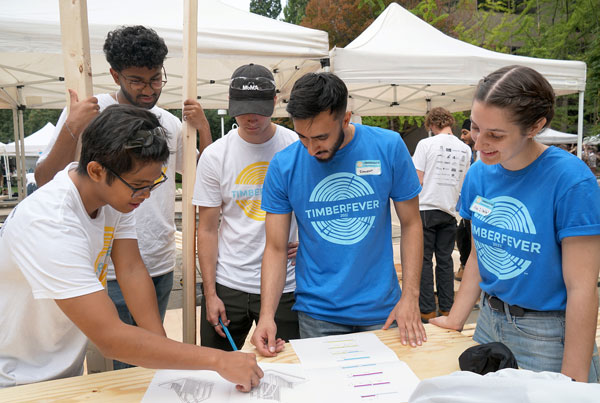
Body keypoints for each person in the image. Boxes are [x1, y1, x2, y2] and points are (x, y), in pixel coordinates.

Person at [0, 105, 262, 390]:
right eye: (139, 185)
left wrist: (164, 356)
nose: (146, 195)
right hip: (17, 377)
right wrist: (218, 361)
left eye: (153, 183)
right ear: (97, 170)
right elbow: (110, 339)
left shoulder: (110, 198)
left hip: (58, 368)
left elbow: (132, 269)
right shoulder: (51, 222)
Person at [34, 26, 212, 370]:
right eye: (136, 81)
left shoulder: (169, 124)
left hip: (154, 261)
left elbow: (199, 176)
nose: (148, 90)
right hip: (103, 270)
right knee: (118, 359)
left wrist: (203, 129)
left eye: (155, 80)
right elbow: (45, 178)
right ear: (114, 74)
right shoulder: (89, 114)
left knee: (146, 362)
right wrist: (72, 129)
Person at [430, 65, 600, 383]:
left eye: (495, 134)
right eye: (476, 128)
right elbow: (481, 255)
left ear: (535, 126)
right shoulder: (479, 174)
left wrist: (573, 378)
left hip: (547, 333)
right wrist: (455, 319)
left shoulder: (570, 180)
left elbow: (582, 288)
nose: (479, 144)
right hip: (488, 322)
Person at [250, 72, 426, 356]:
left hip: (382, 311)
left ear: (346, 119)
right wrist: (266, 315)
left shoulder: (388, 147)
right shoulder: (284, 166)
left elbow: (412, 224)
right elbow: (275, 247)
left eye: (320, 137)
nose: (310, 148)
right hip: (318, 313)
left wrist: (411, 297)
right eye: (302, 137)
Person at [193, 63, 300, 351]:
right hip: (230, 284)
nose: (251, 117)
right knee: (216, 373)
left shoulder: (296, 147)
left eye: (259, 108)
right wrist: (210, 293)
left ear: (275, 102)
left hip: (287, 285)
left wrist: (309, 241)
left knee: (289, 372)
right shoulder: (215, 155)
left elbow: (314, 207)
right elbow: (206, 230)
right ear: (230, 104)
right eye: (242, 108)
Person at [413, 108, 471, 322]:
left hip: (426, 207)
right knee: (445, 261)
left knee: (424, 261)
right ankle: (447, 309)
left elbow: (416, 179)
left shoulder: (425, 145)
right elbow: (464, 182)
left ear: (431, 125)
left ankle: (427, 310)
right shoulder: (465, 149)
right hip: (449, 210)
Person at [455, 118, 475, 282]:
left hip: (480, 210)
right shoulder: (469, 155)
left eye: (465, 132)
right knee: (462, 235)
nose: (462, 137)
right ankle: (465, 266)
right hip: (468, 209)